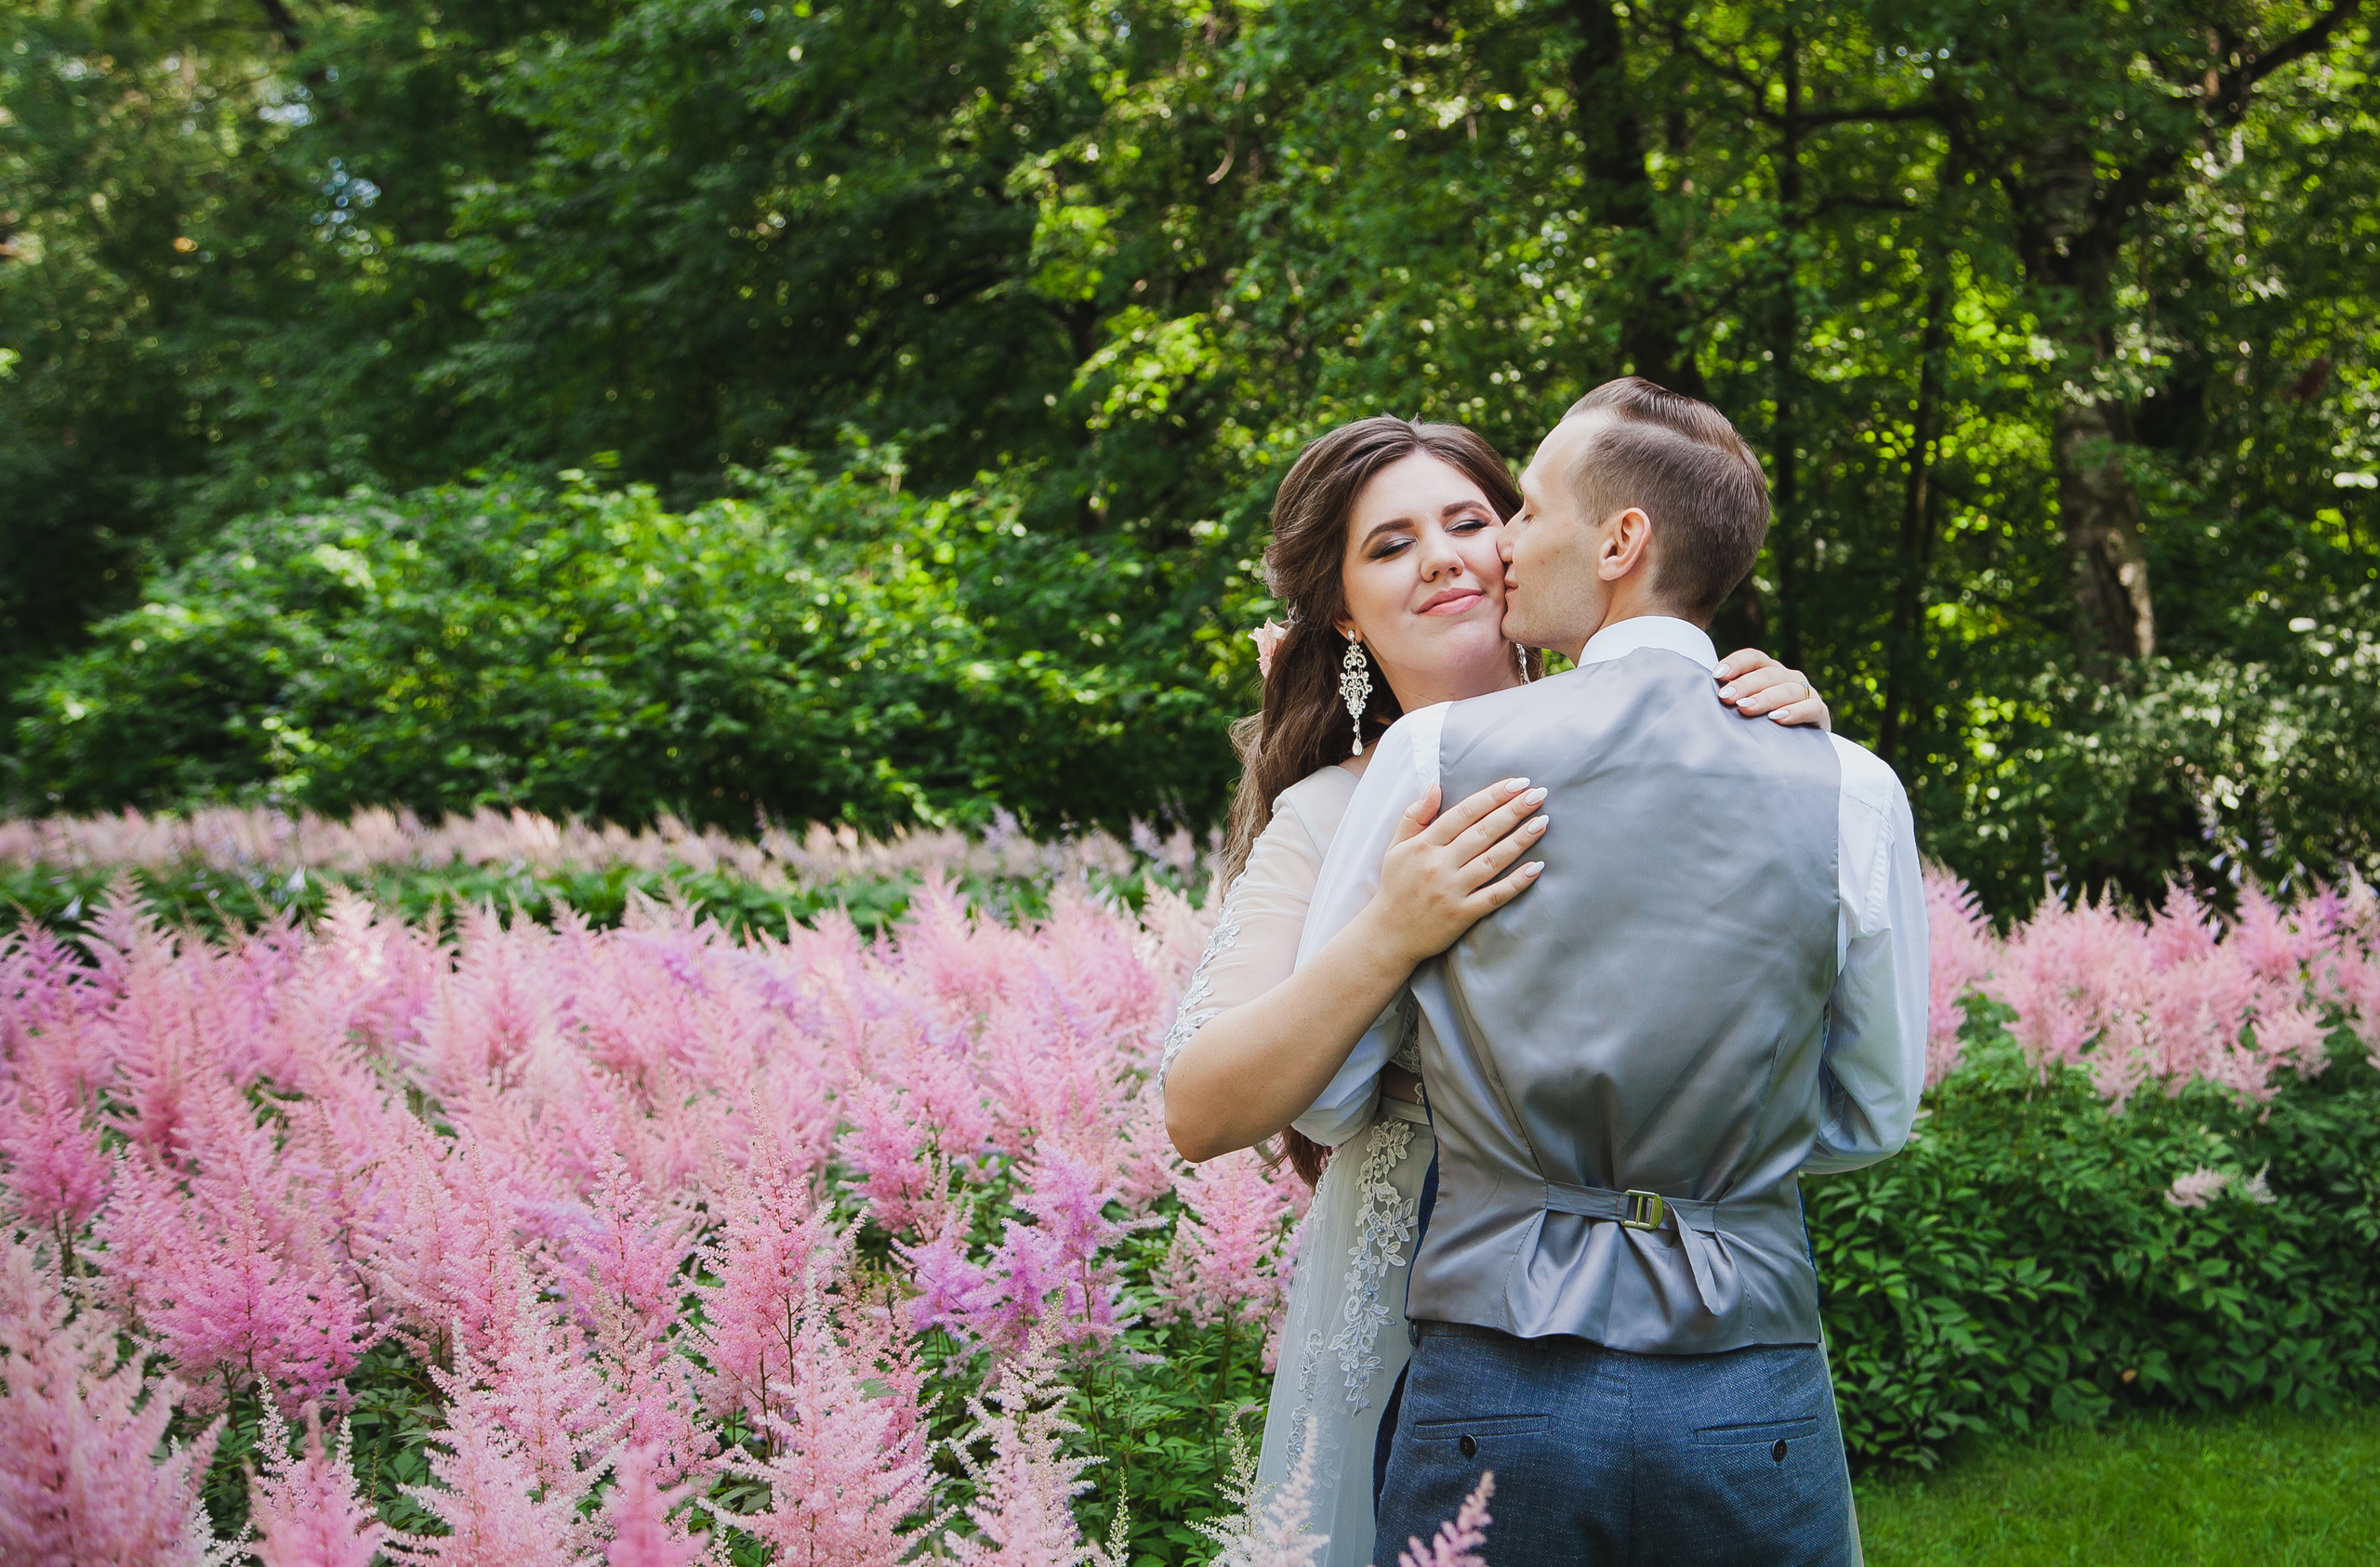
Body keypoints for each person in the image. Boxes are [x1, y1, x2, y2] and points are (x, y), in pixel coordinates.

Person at [1158, 414, 1831, 1567]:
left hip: (1697, 1302)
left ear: (1525, 543)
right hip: (1434, 1298)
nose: (1443, 558)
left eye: (1472, 520)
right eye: (1389, 545)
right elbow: (1199, 1107)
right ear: (1342, 616)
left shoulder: (1688, 739)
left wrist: (1787, 744)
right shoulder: (1327, 813)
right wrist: (1391, 931)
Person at [1287, 379, 1926, 1565]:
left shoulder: (1434, 752)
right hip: (1749, 1376)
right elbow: (1872, 1114)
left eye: (1523, 511)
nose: (1501, 546)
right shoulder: (1848, 781)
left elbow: (1329, 1095)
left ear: (1621, 542)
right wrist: (1708, 1175)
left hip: (1499, 1371)